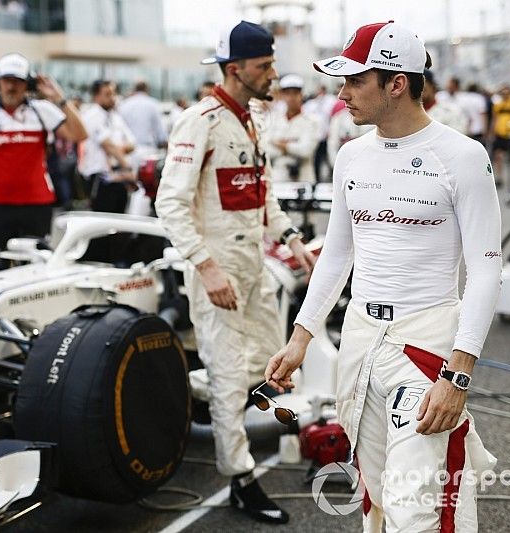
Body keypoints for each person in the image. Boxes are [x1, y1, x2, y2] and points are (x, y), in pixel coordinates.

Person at [265, 21, 501, 532]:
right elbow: (336, 255)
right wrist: (301, 337)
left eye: (355, 81)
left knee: (418, 505)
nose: (341, 92)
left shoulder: (462, 156)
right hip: (360, 340)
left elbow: (485, 270)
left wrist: (458, 375)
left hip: (426, 345)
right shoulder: (351, 155)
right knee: (374, 492)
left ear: (397, 83)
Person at [155, 20, 316, 524]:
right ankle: (240, 478)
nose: (272, 73)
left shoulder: (251, 119)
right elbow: (170, 203)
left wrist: (290, 238)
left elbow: (261, 194)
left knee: (270, 366)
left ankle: (220, 414)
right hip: (217, 274)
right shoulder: (198, 120)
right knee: (229, 377)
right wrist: (206, 269)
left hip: (254, 267)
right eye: (265, 65)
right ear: (235, 68)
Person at [0, 53, 86, 274]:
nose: (11, 86)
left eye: (17, 81)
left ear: (26, 83)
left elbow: (79, 134)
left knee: (35, 268)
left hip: (36, 205)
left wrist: (59, 98)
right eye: (6, 80)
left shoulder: (42, 110)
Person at [78, 79, 137, 214]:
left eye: (113, 93)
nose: (113, 98)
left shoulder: (115, 117)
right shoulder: (92, 115)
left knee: (119, 225)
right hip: (100, 179)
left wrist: (117, 150)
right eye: (108, 94)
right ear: (96, 96)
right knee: (102, 226)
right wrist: (127, 167)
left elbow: (132, 144)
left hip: (118, 177)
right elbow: (108, 145)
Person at [266, 74, 319, 182]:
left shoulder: (312, 121)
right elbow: (266, 149)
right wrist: (293, 145)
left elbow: (306, 151)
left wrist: (280, 144)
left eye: (295, 93)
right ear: (282, 95)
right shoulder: (273, 119)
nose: (291, 98)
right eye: (287, 94)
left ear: (301, 95)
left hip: (303, 178)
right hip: (278, 178)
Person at [118, 80, 167, 158]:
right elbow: (161, 133)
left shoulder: (124, 105)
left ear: (134, 89)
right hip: (149, 151)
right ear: (147, 89)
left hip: (128, 152)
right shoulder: (153, 104)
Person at [422, 70, 468, 134]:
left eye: (424, 89)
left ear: (432, 86)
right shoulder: (408, 114)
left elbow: (458, 138)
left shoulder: (452, 111)